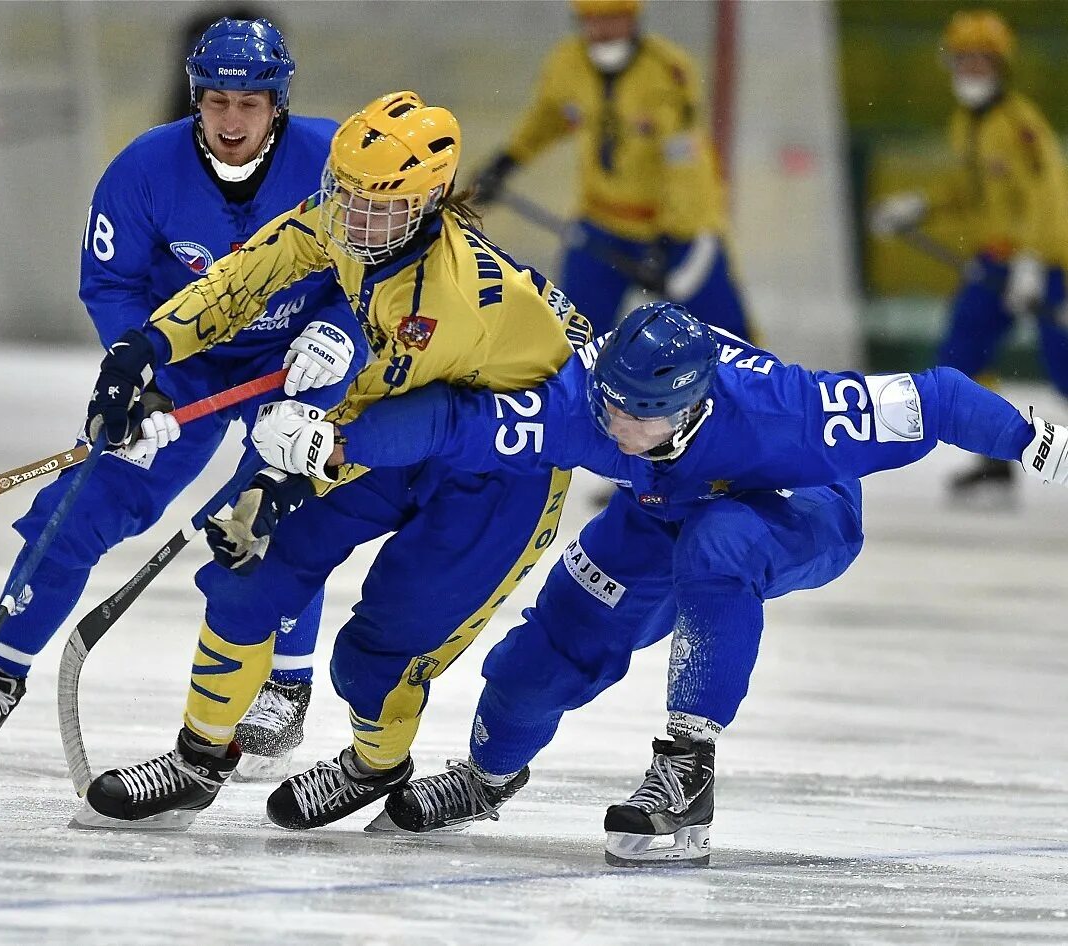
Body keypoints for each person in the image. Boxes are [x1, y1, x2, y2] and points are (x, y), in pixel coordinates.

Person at [250, 300, 1068, 865]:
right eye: (608, 408)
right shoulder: (589, 405)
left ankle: (687, 767)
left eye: (637, 416)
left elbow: (943, 398)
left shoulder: (794, 411)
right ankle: (490, 778)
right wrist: (339, 440)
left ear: (690, 406)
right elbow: (460, 424)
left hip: (795, 507)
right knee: (542, 657)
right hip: (660, 507)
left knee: (717, 544)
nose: (615, 429)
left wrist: (1037, 441)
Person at [72, 90, 591, 832]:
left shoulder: (446, 300)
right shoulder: (361, 220)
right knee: (249, 572)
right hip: (391, 429)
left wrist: (278, 480)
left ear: (427, 205)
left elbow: (373, 423)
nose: (348, 220)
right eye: (340, 194)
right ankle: (197, 759)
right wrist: (143, 349)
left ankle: (378, 765)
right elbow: (242, 279)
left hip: (494, 473)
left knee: (378, 652)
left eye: (373, 207)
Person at [0, 18, 364, 782]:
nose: (232, 122)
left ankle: (287, 679)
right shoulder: (143, 169)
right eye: (217, 102)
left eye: (250, 104)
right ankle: (0, 672)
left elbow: (378, 270)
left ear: (278, 105)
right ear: (197, 99)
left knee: (273, 514)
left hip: (294, 362)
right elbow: (111, 284)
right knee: (79, 505)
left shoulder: (334, 165)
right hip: (185, 359)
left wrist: (337, 335)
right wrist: (143, 382)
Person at [870, 9, 1068, 504]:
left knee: (1064, 365)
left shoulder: (1021, 124)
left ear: (1000, 65)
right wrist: (919, 205)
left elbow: (1048, 198)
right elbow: (968, 190)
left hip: (1047, 262)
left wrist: (1032, 261)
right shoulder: (967, 123)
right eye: (964, 59)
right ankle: (995, 461)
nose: (972, 69)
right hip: (995, 260)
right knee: (962, 354)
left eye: (982, 59)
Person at [470, 0, 749, 341]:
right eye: (591, 21)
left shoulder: (666, 71)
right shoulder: (567, 63)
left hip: (675, 232)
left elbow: (685, 164)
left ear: (632, 17)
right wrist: (505, 163)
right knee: (570, 339)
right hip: (601, 226)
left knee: (730, 338)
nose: (601, 31)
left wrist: (672, 236)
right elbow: (546, 119)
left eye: (612, 19)